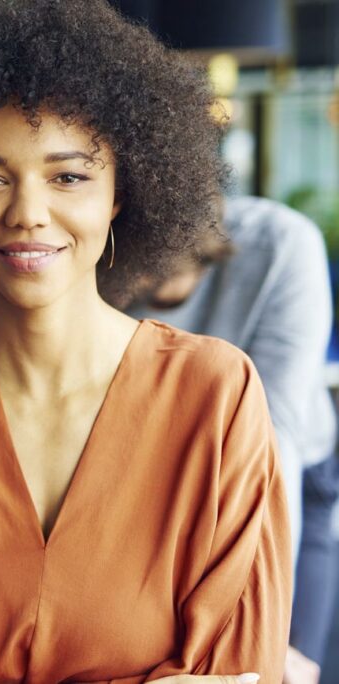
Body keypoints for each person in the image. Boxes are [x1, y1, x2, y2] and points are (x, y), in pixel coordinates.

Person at [0, 1, 291, 682]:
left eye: (68, 176)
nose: (27, 214)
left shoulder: (214, 397)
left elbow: (236, 668)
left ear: (122, 190)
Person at [126, 195, 337, 684]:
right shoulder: (105, 263)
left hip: (291, 474)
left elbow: (274, 437)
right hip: (169, 477)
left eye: (166, 294)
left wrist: (268, 629)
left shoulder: (282, 245)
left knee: (291, 657)